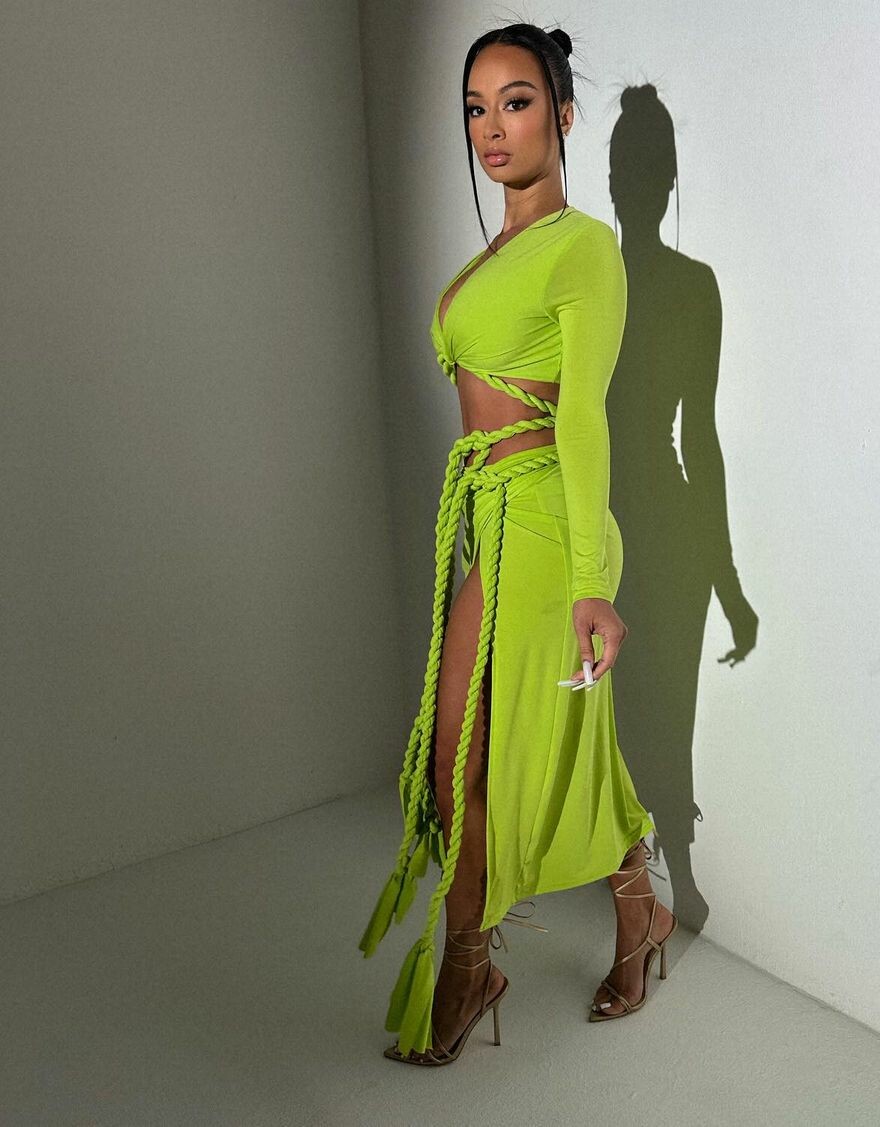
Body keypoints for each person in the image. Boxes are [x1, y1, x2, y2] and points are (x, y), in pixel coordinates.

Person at [358, 22, 678, 1065]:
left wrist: (591, 581)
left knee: (470, 754)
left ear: (564, 115)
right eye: (476, 108)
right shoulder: (489, 259)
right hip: (492, 520)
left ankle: (466, 968)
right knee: (496, 752)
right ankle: (639, 910)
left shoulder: (584, 248)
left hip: (549, 522)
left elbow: (582, 416)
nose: (492, 127)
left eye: (518, 101)